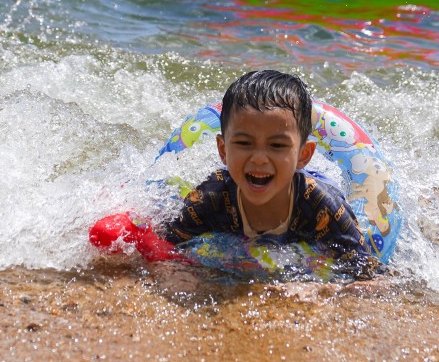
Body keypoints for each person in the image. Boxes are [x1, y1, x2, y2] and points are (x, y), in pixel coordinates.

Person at [114, 70, 378, 275]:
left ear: (303, 155)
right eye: (243, 143)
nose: (259, 159)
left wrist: (319, 290)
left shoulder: (322, 206)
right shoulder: (211, 198)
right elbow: (168, 248)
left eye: (277, 145)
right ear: (223, 150)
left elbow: (368, 274)